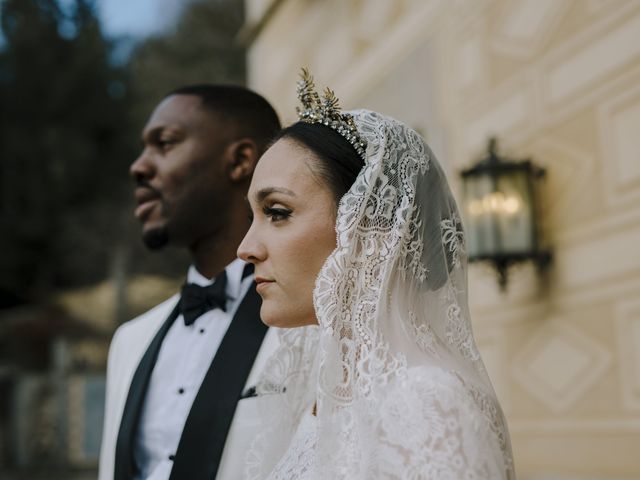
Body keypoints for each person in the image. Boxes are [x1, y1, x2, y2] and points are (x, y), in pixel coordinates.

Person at [238, 69, 516, 479]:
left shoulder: (425, 402)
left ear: (368, 232)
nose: (245, 248)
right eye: (253, 216)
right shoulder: (324, 397)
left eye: (277, 213)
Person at [98, 85, 282, 480]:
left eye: (163, 143)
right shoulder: (130, 341)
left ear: (241, 161)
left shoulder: (310, 324)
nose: (138, 166)